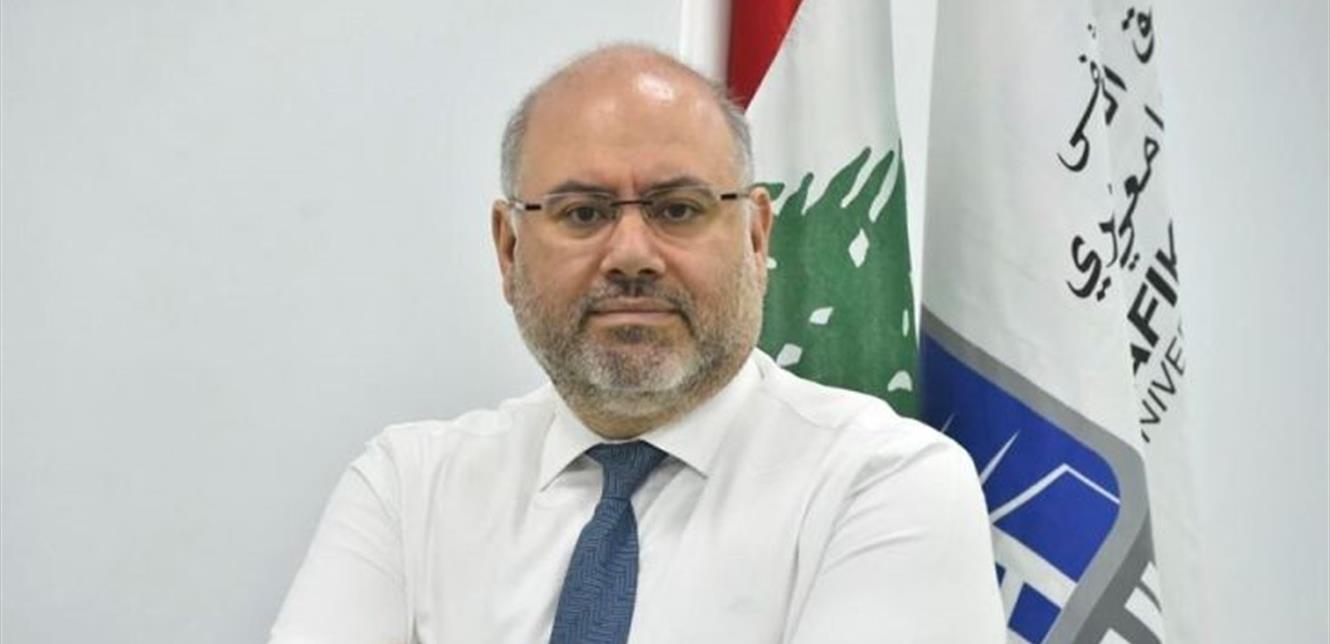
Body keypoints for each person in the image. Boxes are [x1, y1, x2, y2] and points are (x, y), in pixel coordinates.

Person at [269, 44, 1005, 644]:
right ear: (508, 248)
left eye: (677, 209)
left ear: (756, 238)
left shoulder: (883, 483)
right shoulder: (408, 490)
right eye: (583, 213)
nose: (630, 254)